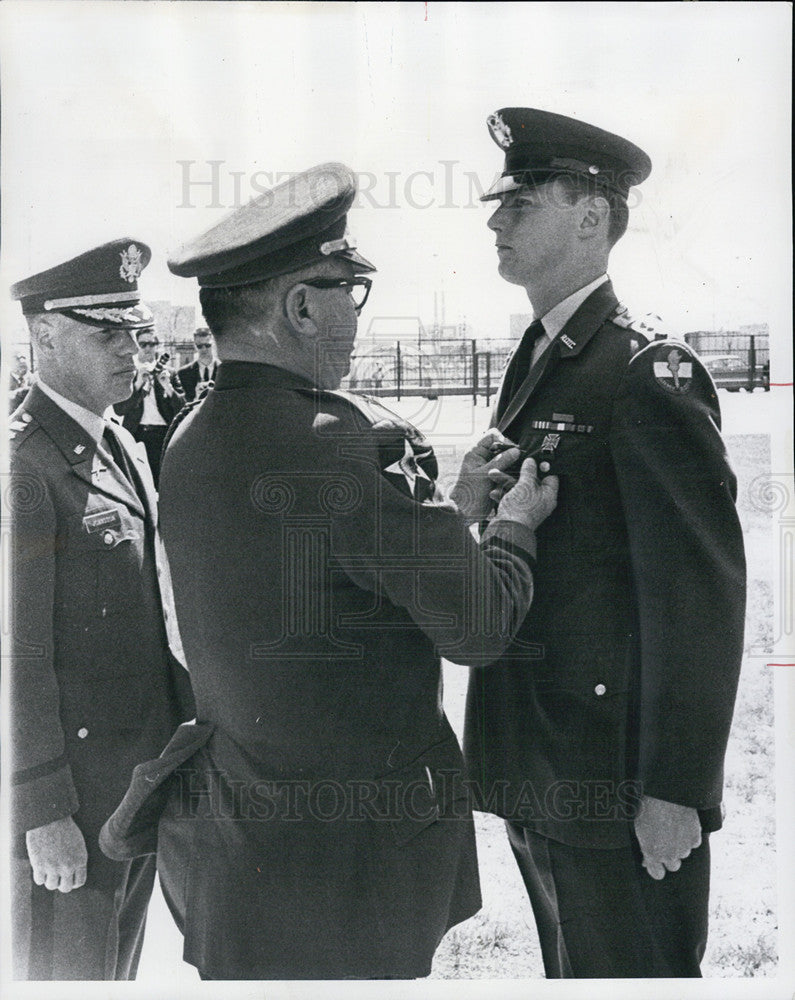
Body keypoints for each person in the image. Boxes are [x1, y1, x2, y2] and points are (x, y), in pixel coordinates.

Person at [100, 163, 559, 980]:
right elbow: (479, 629)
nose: (354, 312)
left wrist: (451, 510)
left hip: (242, 850)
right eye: (350, 288)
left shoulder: (198, 430)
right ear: (301, 306)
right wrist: (513, 528)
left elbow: (332, 572)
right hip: (345, 868)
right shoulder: (329, 436)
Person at [462, 107, 746, 978]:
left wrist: (675, 790)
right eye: (496, 204)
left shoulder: (641, 370)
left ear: (591, 215)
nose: (494, 221)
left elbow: (699, 596)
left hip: (616, 782)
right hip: (543, 765)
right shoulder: (543, 353)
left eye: (520, 202)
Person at [7, 239, 195, 980]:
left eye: (133, 331)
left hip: (132, 784)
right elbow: (14, 658)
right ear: (45, 336)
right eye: (104, 333)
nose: (131, 350)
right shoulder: (22, 466)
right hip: (74, 802)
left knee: (116, 971)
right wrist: (41, 810)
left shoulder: (114, 441)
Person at [112, 329, 184, 486]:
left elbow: (183, 409)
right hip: (137, 433)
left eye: (152, 344)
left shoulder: (169, 372)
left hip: (163, 435)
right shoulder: (128, 373)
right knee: (139, 485)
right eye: (143, 344)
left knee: (164, 484)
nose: (147, 348)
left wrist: (168, 387)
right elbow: (119, 409)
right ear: (136, 346)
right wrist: (137, 385)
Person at [176, 327, 219, 402]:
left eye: (207, 345)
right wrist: (196, 398)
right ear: (195, 346)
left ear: (214, 344)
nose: (204, 349)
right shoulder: (183, 374)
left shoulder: (224, 371)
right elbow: (181, 405)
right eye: (199, 346)